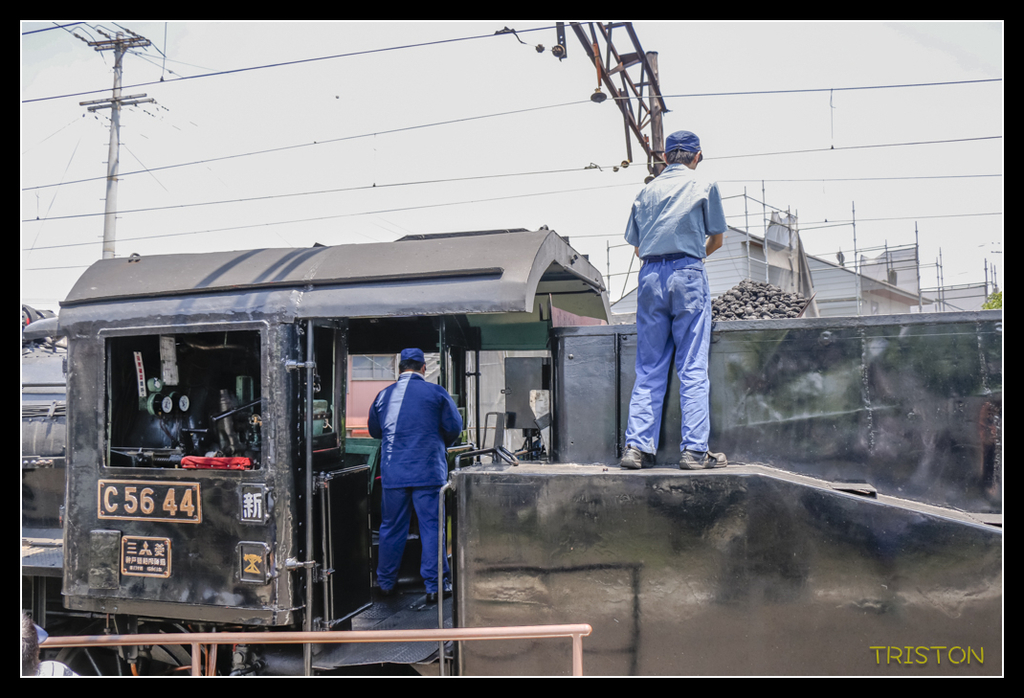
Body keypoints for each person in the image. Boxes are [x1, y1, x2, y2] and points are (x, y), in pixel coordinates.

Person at [620, 129, 729, 471]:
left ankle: (636, 448)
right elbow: (718, 239)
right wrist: (694, 258)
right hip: (688, 274)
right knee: (692, 366)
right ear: (698, 157)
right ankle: (695, 452)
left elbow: (637, 247)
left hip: (650, 276)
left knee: (649, 367)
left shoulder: (645, 191)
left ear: (664, 158)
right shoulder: (704, 187)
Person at [368, 348, 463, 602]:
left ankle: (386, 584)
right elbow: (455, 428)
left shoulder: (383, 396)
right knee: (432, 528)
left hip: (394, 473)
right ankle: (436, 587)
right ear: (423, 368)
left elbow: (374, 431)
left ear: (400, 368)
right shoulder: (436, 393)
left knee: (390, 528)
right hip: (429, 472)